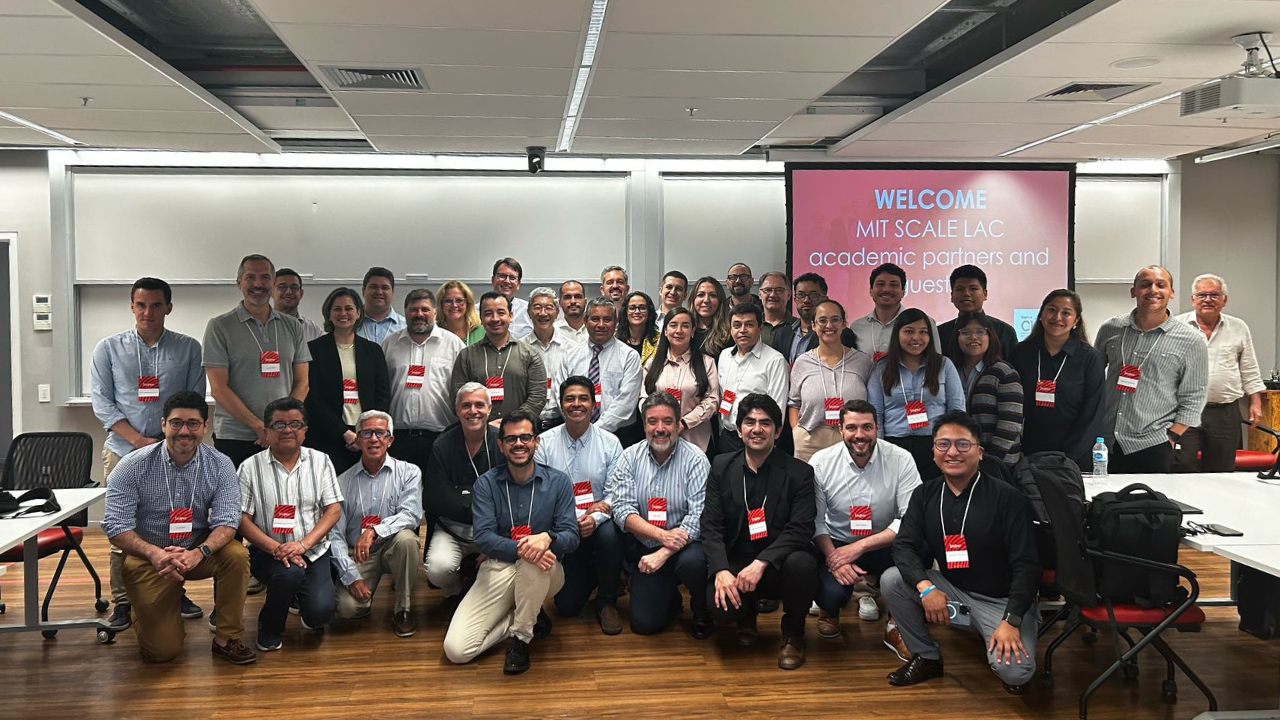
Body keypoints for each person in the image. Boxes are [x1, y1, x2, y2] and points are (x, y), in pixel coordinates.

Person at [882, 410, 1040, 695]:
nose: (952, 452)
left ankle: (999, 630)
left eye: (963, 444)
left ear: (980, 452)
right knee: (892, 580)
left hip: (1002, 601)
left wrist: (1011, 620)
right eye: (943, 444)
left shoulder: (1008, 498)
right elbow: (904, 545)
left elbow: (1027, 565)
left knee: (1016, 673)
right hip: (953, 591)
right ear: (933, 452)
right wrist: (927, 588)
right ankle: (927, 657)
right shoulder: (925, 495)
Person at [102, 390, 255, 665]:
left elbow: (228, 521)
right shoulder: (131, 466)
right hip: (149, 555)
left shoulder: (220, 464)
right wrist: (154, 553)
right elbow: (116, 526)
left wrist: (199, 552)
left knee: (236, 555)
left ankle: (227, 638)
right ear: (163, 424)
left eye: (193, 423)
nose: (184, 431)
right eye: (176, 423)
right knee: (162, 652)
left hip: (197, 551)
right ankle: (145, 610)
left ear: (205, 426)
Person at [91, 277, 207, 630]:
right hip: (123, 451)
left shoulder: (188, 348)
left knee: (176, 522)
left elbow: (193, 399)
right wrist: (140, 441)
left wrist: (166, 441)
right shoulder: (108, 348)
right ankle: (123, 601)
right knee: (121, 527)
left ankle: (175, 591)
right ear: (131, 306)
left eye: (156, 305)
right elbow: (103, 403)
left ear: (168, 307)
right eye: (141, 305)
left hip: (176, 453)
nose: (148, 312)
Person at [442, 410, 578, 675]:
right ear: (500, 445)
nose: (519, 444)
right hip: (498, 568)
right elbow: (483, 537)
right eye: (511, 439)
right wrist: (525, 548)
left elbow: (571, 537)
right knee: (456, 651)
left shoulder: (558, 482)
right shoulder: (486, 484)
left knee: (534, 562)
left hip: (546, 570)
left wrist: (548, 537)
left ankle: (520, 638)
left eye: (525, 437)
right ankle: (528, 615)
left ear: (536, 441)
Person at [702, 393, 818, 670]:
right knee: (720, 608)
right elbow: (711, 524)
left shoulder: (799, 472)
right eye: (749, 422)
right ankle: (746, 618)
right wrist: (720, 570)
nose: (757, 429)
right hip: (737, 560)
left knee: (803, 564)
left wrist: (762, 562)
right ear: (738, 428)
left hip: (779, 562)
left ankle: (792, 634)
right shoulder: (721, 466)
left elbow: (801, 528)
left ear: (778, 432)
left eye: (765, 423)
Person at [809, 400, 921, 656]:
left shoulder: (901, 459)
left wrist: (859, 547)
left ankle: (896, 624)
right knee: (832, 593)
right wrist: (834, 557)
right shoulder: (821, 463)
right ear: (840, 429)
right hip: (837, 544)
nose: (859, 435)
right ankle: (829, 611)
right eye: (851, 427)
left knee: (921, 548)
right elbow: (815, 520)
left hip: (884, 542)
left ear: (877, 428)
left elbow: (910, 518)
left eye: (867, 427)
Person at [237, 398, 342, 652]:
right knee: (288, 575)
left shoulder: (321, 461)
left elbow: (333, 510)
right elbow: (241, 519)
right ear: (266, 431)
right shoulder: (250, 467)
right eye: (279, 424)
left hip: (313, 550)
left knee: (320, 613)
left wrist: (303, 545)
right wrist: (277, 548)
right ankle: (269, 626)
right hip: (268, 552)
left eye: (295, 424)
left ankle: (300, 598)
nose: (287, 430)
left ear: (305, 430)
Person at [610, 392, 712, 637]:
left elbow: (699, 515)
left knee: (694, 563)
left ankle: (702, 610)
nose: (660, 429)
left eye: (667, 421)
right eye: (652, 421)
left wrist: (665, 550)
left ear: (678, 425)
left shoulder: (696, 460)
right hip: (648, 546)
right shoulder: (629, 457)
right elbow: (622, 509)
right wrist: (661, 536)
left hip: (687, 546)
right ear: (644, 425)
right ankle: (669, 596)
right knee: (644, 625)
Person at [1095, 266, 1209, 474]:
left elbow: (1195, 396)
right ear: (1133, 291)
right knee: (1105, 494)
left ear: (1171, 292)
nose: (1153, 290)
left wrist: (1172, 436)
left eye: (1161, 285)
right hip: (1106, 442)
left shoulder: (1191, 340)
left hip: (1153, 443)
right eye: (1145, 284)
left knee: (1150, 497)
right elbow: (1092, 377)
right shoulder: (1110, 328)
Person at [534, 376, 625, 634]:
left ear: (594, 404)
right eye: (570, 399)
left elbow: (617, 493)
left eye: (583, 398)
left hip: (599, 524)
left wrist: (594, 517)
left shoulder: (610, 443)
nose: (577, 404)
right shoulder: (544, 443)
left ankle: (607, 600)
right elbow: (540, 493)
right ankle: (599, 572)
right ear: (561, 404)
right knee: (566, 606)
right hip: (563, 527)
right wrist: (573, 518)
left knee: (610, 536)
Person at [204, 254, 310, 469]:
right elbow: (218, 388)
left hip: (282, 435)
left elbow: (302, 383)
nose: (258, 284)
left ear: (273, 282)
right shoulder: (220, 326)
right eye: (250, 277)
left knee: (282, 491)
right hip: (235, 436)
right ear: (239, 282)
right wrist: (258, 426)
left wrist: (282, 424)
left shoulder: (293, 326)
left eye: (265, 277)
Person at [329, 410, 423, 638]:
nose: (373, 439)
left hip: (393, 546)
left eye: (380, 433)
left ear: (390, 440)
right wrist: (351, 576)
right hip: (359, 553)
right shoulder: (342, 481)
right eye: (366, 433)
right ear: (357, 440)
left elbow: (411, 515)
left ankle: (403, 608)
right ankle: (364, 596)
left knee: (407, 540)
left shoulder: (409, 472)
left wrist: (374, 530)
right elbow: (335, 535)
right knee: (347, 609)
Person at [1173, 273, 1266, 472]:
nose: (1208, 299)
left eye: (1214, 295)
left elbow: (1249, 368)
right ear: (1193, 299)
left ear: (1224, 300)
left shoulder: (1238, 327)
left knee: (1221, 470)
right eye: (1202, 295)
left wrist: (1256, 402)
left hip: (1224, 412)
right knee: (1181, 466)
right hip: (1184, 410)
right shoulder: (1176, 326)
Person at [1009, 289, 1106, 471]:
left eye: (1066, 313)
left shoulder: (1090, 358)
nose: (1057, 317)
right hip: (1030, 454)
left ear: (1076, 321)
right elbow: (1011, 405)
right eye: (1052, 310)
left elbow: (1092, 413)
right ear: (1041, 314)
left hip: (1074, 458)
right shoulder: (1020, 353)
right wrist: (1016, 449)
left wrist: (1068, 459)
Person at [422, 383, 501, 601]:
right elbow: (436, 497)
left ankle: (479, 594)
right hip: (452, 529)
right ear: (457, 410)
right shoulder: (442, 445)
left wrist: (463, 496)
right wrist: (481, 502)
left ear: (489, 408)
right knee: (438, 569)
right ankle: (455, 592)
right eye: (466, 405)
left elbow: (510, 494)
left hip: (494, 528)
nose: (473, 411)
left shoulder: (502, 442)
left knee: (504, 569)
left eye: (479, 405)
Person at [867, 308, 965, 476]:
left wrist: (951, 445)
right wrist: (879, 449)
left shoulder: (943, 365)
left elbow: (956, 409)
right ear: (897, 334)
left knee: (933, 491)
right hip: (894, 445)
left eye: (923, 332)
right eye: (909, 331)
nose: (916, 338)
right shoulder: (882, 368)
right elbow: (875, 414)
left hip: (936, 445)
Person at [304, 287, 391, 475]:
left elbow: (383, 395)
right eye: (337, 309)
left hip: (368, 437)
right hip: (327, 435)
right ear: (329, 314)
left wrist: (369, 431)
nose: (343, 313)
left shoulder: (373, 350)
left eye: (349, 308)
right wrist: (344, 432)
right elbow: (313, 398)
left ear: (358, 313)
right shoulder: (314, 350)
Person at [382, 288, 465, 473]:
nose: (419, 314)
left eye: (425, 309)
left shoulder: (454, 344)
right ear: (405, 312)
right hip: (398, 438)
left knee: (436, 489)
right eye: (414, 309)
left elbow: (463, 390)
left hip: (442, 436)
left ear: (435, 312)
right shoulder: (389, 344)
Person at [787, 299, 873, 462]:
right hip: (810, 441)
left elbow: (873, 402)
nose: (829, 325)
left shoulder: (862, 362)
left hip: (853, 440)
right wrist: (797, 431)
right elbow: (794, 403)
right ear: (813, 325)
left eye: (835, 320)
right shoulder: (802, 362)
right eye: (822, 320)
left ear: (844, 323)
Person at [449, 292, 548, 424]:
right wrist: (483, 423)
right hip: (478, 431)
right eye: (488, 313)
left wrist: (512, 423)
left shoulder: (530, 354)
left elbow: (538, 397)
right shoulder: (466, 356)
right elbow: (457, 397)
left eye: (501, 313)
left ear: (510, 316)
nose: (495, 319)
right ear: (481, 318)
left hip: (519, 432)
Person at [557, 297, 644, 444]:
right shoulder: (570, 356)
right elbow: (560, 394)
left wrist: (593, 431)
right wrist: (577, 425)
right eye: (595, 319)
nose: (601, 325)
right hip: (575, 433)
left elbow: (626, 402)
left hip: (620, 435)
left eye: (607, 319)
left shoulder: (629, 356)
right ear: (585, 321)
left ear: (616, 322)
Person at [949, 312, 1023, 469]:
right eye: (965, 332)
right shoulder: (950, 371)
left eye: (980, 332)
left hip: (998, 463)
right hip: (959, 458)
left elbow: (1010, 424)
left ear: (990, 336)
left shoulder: (1004, 372)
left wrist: (988, 461)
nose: (973, 337)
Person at [642, 307, 721, 452]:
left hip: (696, 440)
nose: (679, 331)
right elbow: (643, 398)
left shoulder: (707, 363)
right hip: (659, 436)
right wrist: (658, 421)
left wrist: (684, 423)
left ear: (693, 331)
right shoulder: (652, 364)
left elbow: (712, 400)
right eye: (673, 325)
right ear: (665, 331)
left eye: (685, 326)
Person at [717, 303, 790, 455]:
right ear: (731, 329)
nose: (742, 330)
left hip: (757, 438)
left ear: (760, 328)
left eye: (749, 324)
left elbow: (778, 409)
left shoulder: (775, 361)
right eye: (737, 325)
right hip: (728, 437)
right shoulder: (724, 356)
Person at [852, 263, 936, 362]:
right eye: (881, 284)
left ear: (903, 292)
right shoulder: (856, 327)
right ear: (871, 290)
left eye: (893, 285)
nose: (886, 289)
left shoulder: (925, 323)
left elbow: (936, 362)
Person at [936, 266, 1019, 361]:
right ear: (951, 296)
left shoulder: (1004, 331)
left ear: (985, 294)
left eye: (973, 288)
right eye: (960, 289)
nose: (966, 294)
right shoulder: (940, 333)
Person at [521, 287, 573, 430]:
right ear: (528, 312)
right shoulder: (519, 348)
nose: (543, 313)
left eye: (549, 308)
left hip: (562, 422)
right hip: (528, 423)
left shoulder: (572, 349)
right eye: (537, 307)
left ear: (557, 312)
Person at [768, 272, 825, 363]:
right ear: (795, 299)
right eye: (801, 295)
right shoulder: (781, 334)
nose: (806, 300)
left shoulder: (834, 333)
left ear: (825, 299)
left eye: (813, 295)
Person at [272, 268, 324, 342]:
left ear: (301, 294)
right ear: (271, 292)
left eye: (294, 287)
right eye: (282, 287)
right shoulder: (261, 327)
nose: (289, 292)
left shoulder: (313, 330)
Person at [356, 267, 405, 343]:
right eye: (373, 287)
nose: (379, 292)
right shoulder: (350, 325)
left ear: (392, 293)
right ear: (363, 291)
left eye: (384, 288)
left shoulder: (405, 327)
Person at [691, 276, 733, 359]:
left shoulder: (729, 335)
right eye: (700, 295)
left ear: (720, 301)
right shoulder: (683, 330)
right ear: (693, 299)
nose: (706, 300)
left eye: (713, 295)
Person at [492, 257, 533, 339]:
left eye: (512, 278)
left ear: (518, 284)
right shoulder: (476, 311)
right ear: (493, 280)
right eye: (502, 276)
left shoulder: (529, 311)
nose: (507, 281)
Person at [437, 280, 484, 345]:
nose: (454, 305)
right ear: (441, 304)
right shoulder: (435, 332)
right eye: (448, 301)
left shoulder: (483, 333)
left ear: (468, 303)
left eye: (459, 300)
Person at [618, 290, 660, 364]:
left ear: (649, 312)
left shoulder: (660, 340)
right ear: (625, 312)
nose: (637, 312)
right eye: (632, 308)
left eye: (642, 308)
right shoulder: (615, 340)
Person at [758, 271, 796, 346]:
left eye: (779, 290)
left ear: (789, 295)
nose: (773, 295)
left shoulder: (798, 326)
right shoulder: (752, 325)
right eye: (768, 290)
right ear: (760, 294)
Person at [555, 280, 589, 345]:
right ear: (560, 303)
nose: (573, 301)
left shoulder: (596, 329)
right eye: (567, 297)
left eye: (578, 297)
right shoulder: (553, 331)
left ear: (585, 301)